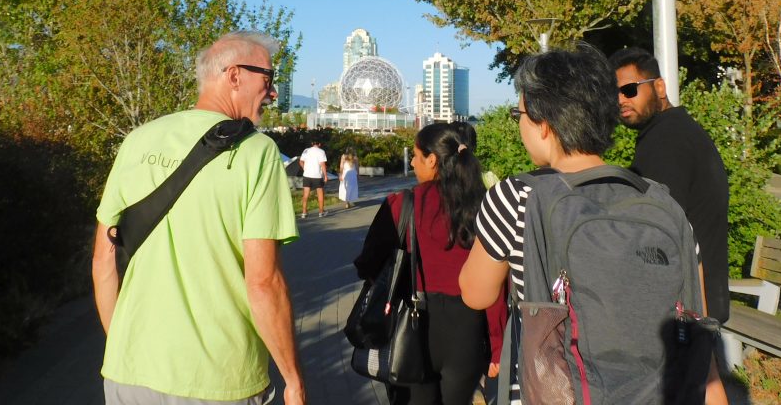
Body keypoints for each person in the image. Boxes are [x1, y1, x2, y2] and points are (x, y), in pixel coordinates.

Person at [459, 45, 704, 405]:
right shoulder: (663, 203)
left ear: (544, 124)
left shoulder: (517, 196)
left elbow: (475, 293)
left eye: (520, 114)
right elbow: (699, 330)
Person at [91, 31, 305, 405]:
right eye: (268, 80)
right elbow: (264, 283)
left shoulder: (138, 141)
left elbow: (104, 260)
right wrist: (292, 379)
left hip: (127, 376)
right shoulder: (257, 153)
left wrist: (123, 345)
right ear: (234, 75)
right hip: (219, 380)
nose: (272, 93)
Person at [609, 46, 730, 405]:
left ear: (659, 87)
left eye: (629, 90)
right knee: (704, 383)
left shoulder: (668, 141)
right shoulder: (674, 131)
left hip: (686, 299)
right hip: (697, 297)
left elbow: (655, 231)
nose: (620, 100)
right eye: (613, 93)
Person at [354, 122, 506, 405]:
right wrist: (498, 346)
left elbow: (367, 264)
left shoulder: (403, 204)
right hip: (468, 330)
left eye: (415, 155)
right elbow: (496, 285)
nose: (412, 162)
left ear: (432, 159)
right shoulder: (482, 206)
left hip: (414, 327)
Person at [299, 140, 328, 218]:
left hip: (307, 175)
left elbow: (301, 161)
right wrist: (325, 175)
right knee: (320, 193)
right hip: (317, 175)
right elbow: (322, 164)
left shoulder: (306, 150)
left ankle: (304, 212)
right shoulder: (321, 151)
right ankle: (321, 212)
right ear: (319, 144)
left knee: (305, 194)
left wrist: (305, 168)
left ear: (312, 144)